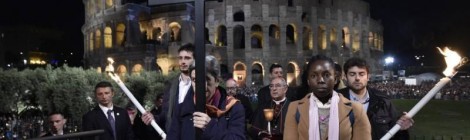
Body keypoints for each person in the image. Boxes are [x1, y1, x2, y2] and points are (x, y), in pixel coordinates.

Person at [284, 55, 371, 140]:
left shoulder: (356, 110)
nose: (320, 80)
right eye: (314, 76)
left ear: (335, 79)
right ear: (308, 81)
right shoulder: (295, 108)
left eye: (326, 75)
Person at [338, 57, 413, 140]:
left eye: (361, 74)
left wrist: (402, 129)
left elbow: (396, 133)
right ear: (345, 77)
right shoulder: (336, 100)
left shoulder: (383, 100)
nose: (357, 78)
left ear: (368, 77)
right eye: (352, 74)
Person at [189, 68, 246, 140]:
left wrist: (210, 127)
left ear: (217, 81)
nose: (202, 85)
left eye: (207, 80)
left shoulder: (234, 107)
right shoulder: (185, 105)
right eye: (195, 80)